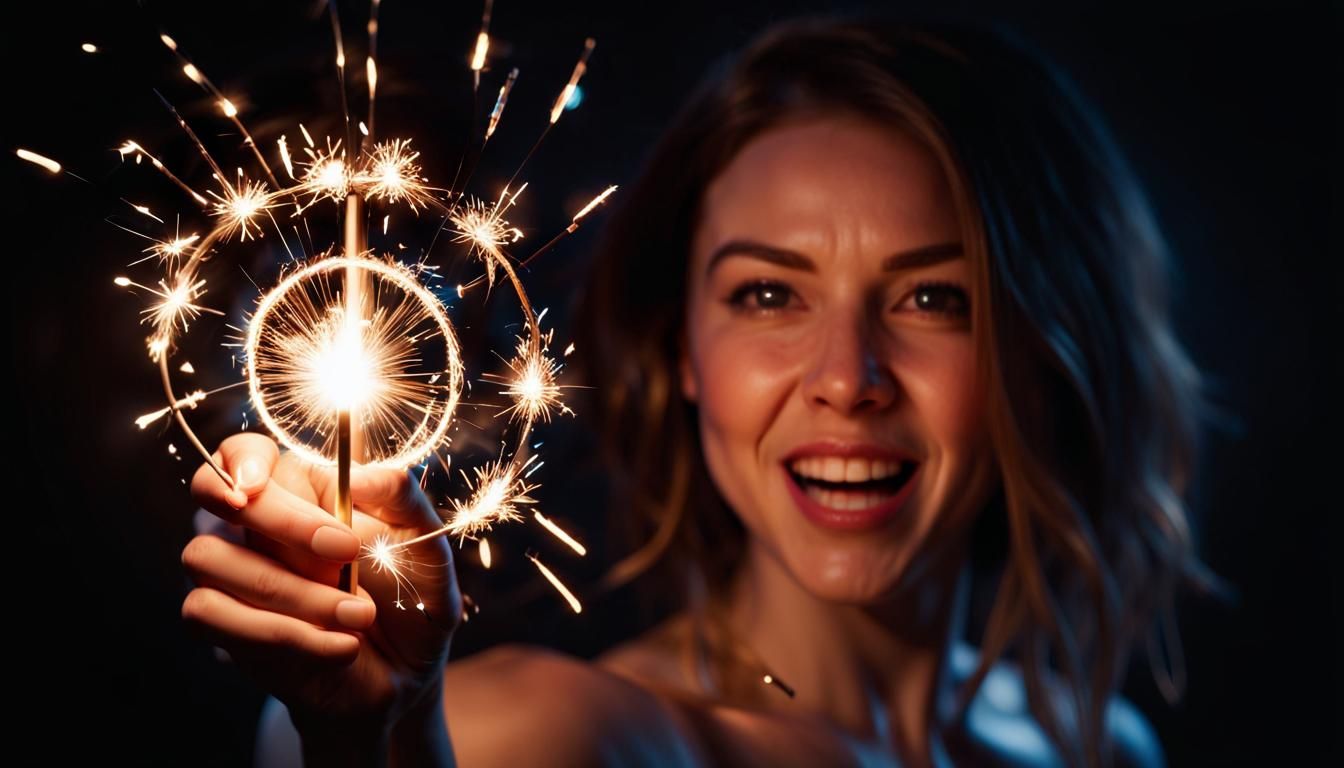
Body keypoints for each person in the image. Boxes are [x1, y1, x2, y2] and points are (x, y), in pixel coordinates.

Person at [184, 17, 1204, 767]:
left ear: (1045, 348)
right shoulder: (552, 738)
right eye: (769, 294)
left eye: (936, 298)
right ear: (682, 346)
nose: (846, 380)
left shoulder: (1102, 749)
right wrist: (373, 739)